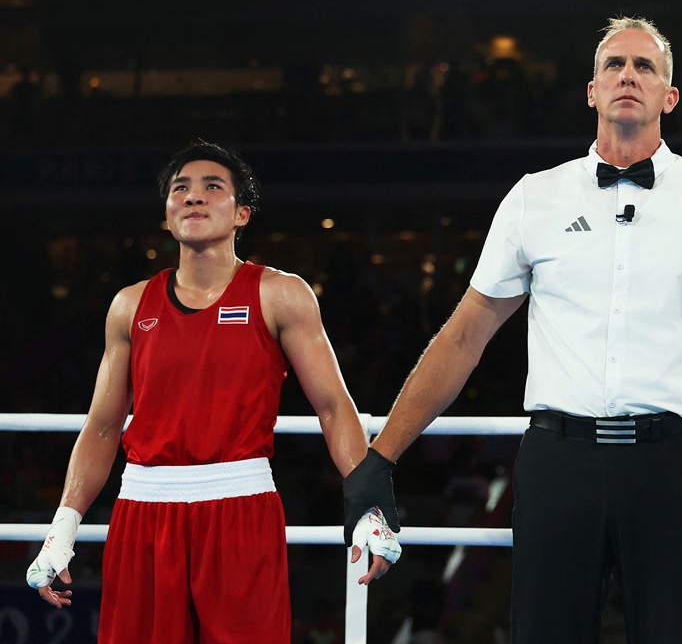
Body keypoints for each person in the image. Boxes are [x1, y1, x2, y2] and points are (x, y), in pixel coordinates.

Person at [342, 17, 682, 643]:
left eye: (645, 66)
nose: (627, 76)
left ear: (669, 97)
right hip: (560, 462)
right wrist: (380, 457)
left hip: (675, 465)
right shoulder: (535, 196)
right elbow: (463, 334)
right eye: (614, 64)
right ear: (591, 90)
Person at [26, 139, 401, 643]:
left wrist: (367, 505)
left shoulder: (279, 293)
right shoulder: (129, 305)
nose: (194, 197)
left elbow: (334, 408)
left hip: (240, 507)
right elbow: (103, 425)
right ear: (166, 213)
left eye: (212, 187)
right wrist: (63, 528)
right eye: (181, 188)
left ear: (242, 212)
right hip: (143, 512)